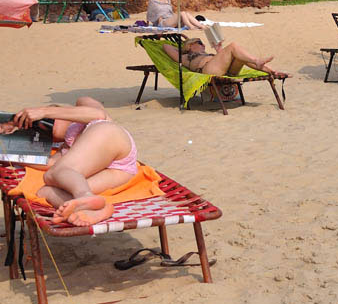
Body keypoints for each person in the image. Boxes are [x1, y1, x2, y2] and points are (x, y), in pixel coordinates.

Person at [0, 98, 139, 226]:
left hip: (109, 134)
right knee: (46, 191)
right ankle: (95, 210)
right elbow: (50, 163)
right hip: (120, 169)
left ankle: (86, 196)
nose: (47, 131)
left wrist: (43, 112)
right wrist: (7, 155)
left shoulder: (83, 107)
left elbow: (99, 114)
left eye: (48, 122)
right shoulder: (66, 147)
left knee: (53, 174)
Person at [164, 37, 279, 76]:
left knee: (240, 57)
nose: (203, 45)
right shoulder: (185, 58)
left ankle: (272, 71)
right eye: (199, 42)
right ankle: (257, 61)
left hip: (221, 69)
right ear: (190, 46)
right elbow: (165, 46)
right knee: (233, 46)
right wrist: (184, 49)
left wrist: (219, 50)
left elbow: (221, 63)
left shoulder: (204, 54)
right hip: (207, 69)